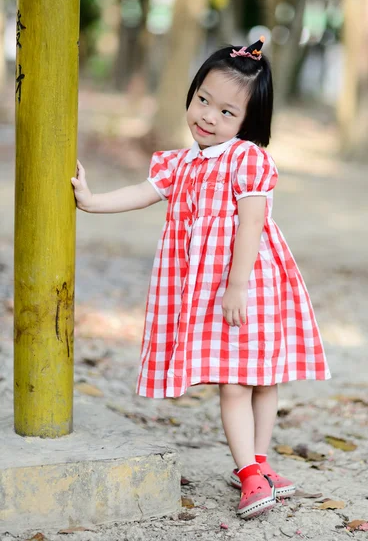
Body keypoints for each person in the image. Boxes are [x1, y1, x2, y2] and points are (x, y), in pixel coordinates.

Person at [71, 37, 331, 520]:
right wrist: (92, 200)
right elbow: (141, 192)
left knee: (260, 380)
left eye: (227, 112)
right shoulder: (183, 162)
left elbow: (251, 224)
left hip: (249, 283)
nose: (208, 117)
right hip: (211, 289)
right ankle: (251, 468)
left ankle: (256, 468)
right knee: (234, 383)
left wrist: (236, 286)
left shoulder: (247, 160)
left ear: (249, 123)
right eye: (203, 100)